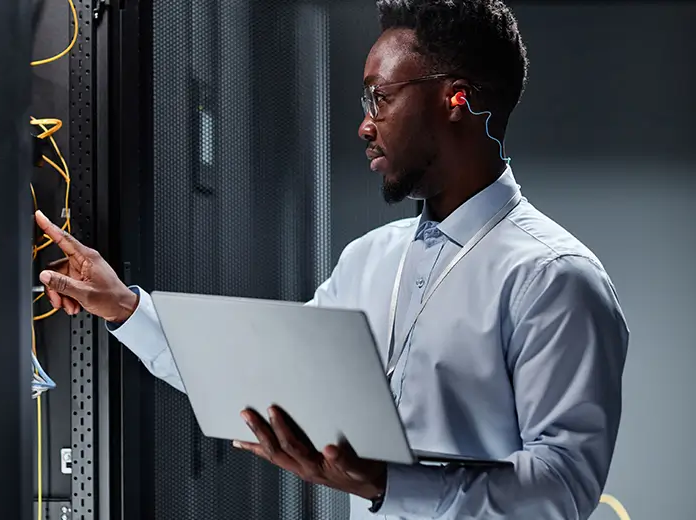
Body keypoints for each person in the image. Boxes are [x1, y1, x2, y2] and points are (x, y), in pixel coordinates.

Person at [34, 0, 629, 518]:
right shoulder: (368, 261)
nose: (365, 124)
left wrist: (387, 484)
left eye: (381, 97)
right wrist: (124, 307)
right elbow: (253, 377)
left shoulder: (553, 278)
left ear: (457, 99)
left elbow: (563, 489)